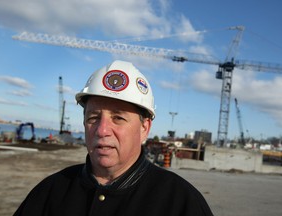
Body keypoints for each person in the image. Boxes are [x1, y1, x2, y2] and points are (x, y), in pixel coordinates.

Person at [14, 60, 214, 216]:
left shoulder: (181, 203)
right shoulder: (50, 192)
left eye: (118, 118)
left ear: (144, 128)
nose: (102, 130)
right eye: (93, 117)